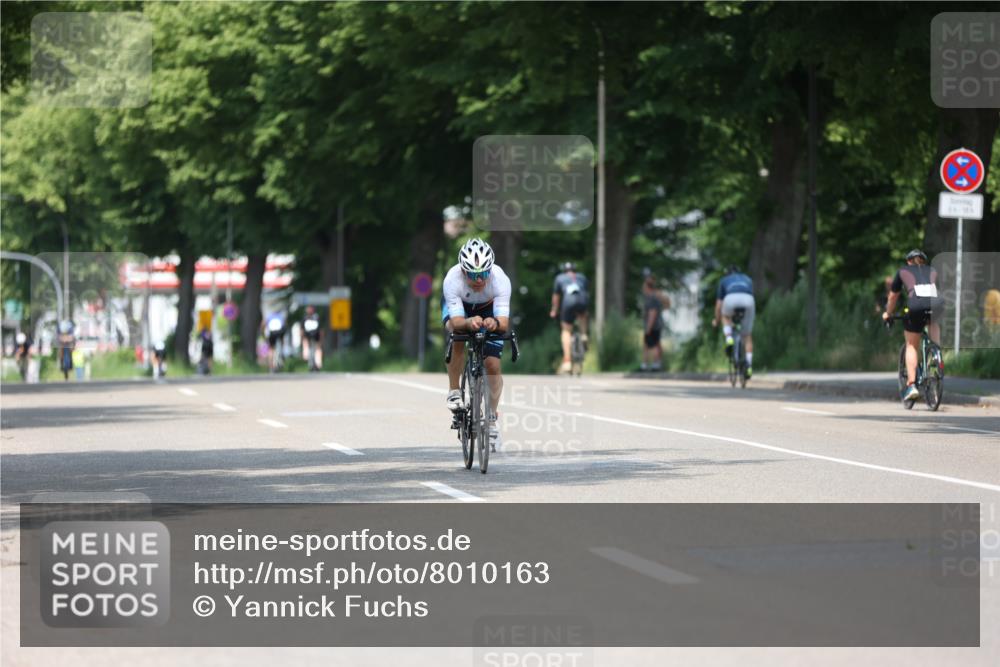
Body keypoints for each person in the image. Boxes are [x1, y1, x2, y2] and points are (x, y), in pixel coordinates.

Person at [443, 238, 511, 452]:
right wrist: (468, 322)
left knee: (492, 365)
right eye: (473, 274)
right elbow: (455, 321)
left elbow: (504, 324)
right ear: (463, 271)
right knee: (458, 334)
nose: (479, 279)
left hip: (490, 308)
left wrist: (494, 322)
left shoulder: (500, 280)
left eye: (484, 272)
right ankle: (454, 390)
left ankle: (491, 419)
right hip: (461, 309)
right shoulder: (452, 280)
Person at [882, 249, 941, 401]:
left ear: (909, 261)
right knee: (933, 322)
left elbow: (893, 296)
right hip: (937, 305)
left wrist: (888, 313)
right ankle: (935, 356)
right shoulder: (932, 270)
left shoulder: (903, 271)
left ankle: (911, 385)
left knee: (911, 346)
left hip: (916, 306)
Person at [712, 265, 756, 378]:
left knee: (725, 316)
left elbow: (718, 306)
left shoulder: (724, 280)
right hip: (748, 300)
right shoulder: (747, 279)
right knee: (747, 336)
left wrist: (717, 321)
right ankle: (749, 365)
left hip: (730, 298)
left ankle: (729, 338)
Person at [550, 261, 589, 374]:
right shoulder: (582, 277)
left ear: (564, 270)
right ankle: (583, 334)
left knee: (566, 330)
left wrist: (554, 310)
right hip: (582, 300)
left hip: (568, 302)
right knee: (583, 315)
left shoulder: (559, 278)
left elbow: (556, 297)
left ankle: (567, 361)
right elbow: (585, 292)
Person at [640, 268, 671, 371]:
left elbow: (652, 313)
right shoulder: (656, 296)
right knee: (655, 344)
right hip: (657, 324)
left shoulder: (651, 297)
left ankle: (654, 365)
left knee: (652, 345)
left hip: (653, 325)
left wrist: (648, 327)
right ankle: (653, 364)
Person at [302, 305, 323, 371]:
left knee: (317, 348)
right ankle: (317, 363)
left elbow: (302, 329)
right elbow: (321, 329)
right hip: (312, 335)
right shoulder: (316, 317)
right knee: (317, 348)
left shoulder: (305, 318)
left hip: (312, 335)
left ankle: (316, 362)